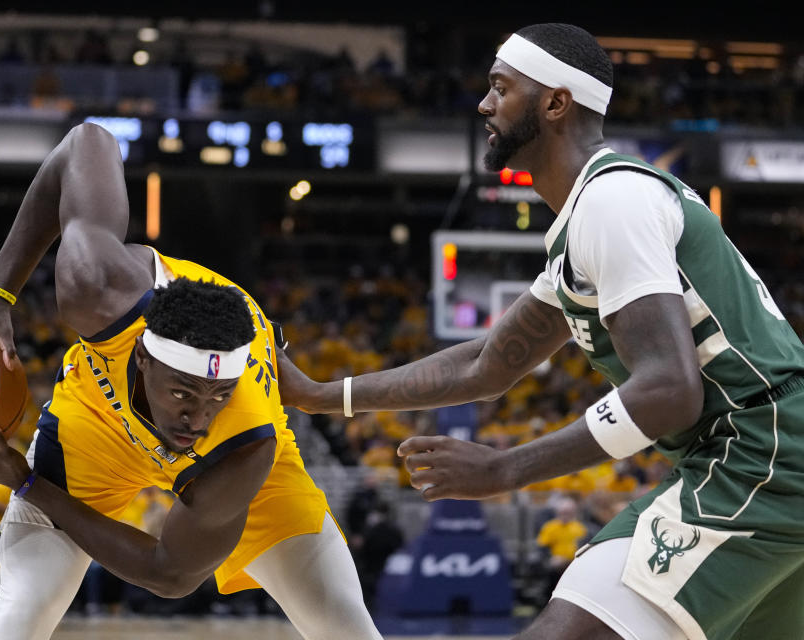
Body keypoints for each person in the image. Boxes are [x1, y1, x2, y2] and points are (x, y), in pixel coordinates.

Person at [280, 23, 804, 640]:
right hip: (756, 458)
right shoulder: (585, 225)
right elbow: (483, 368)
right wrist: (323, 395)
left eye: (500, 88)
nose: (484, 104)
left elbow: (668, 391)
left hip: (761, 454)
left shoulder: (615, 202)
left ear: (555, 103)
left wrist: (504, 470)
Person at [0, 122, 381, 640]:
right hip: (99, 424)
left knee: (344, 625)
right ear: (144, 359)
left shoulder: (247, 447)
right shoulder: (98, 288)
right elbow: (87, 141)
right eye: (183, 393)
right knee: (20, 614)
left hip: (225, 465)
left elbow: (169, 573)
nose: (197, 419)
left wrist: (26, 481)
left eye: (217, 396)